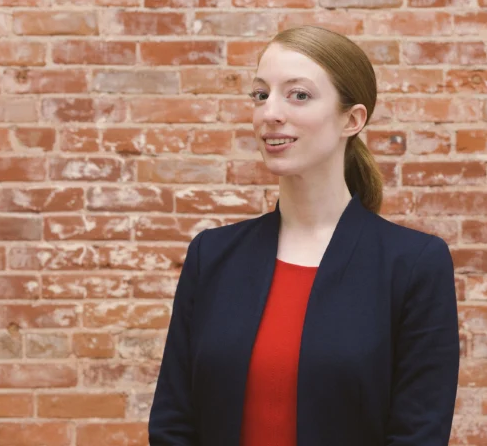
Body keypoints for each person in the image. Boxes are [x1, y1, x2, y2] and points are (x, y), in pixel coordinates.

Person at [149, 25, 460, 446]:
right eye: (261, 94)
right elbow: (172, 424)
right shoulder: (213, 256)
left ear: (352, 119)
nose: (270, 112)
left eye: (298, 95)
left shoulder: (413, 264)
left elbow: (418, 434)